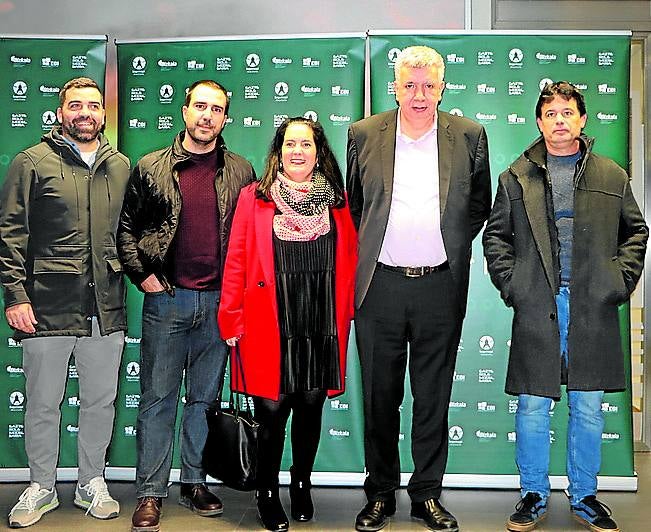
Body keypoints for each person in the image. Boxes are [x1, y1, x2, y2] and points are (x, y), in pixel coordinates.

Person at [483, 81, 648, 532]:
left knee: (588, 406)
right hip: (538, 302)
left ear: (582, 119)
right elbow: (495, 236)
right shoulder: (516, 176)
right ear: (539, 121)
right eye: (550, 113)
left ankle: (586, 496)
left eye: (567, 112)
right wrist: (516, 285)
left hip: (592, 303)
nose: (559, 120)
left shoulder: (611, 175)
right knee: (533, 406)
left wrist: (616, 281)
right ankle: (532, 494)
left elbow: (636, 232)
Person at [346, 45, 492, 532]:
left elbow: (477, 207)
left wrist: (442, 246)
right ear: (395, 86)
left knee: (433, 396)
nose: (419, 95)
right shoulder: (363, 134)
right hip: (379, 286)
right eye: (409, 84)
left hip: (439, 286)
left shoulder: (469, 135)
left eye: (429, 85)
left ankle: (427, 494)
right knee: (380, 398)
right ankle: (380, 494)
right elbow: (354, 204)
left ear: (442, 87)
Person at [117, 79, 255, 532]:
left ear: (226, 118)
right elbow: (126, 231)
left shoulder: (241, 170)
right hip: (168, 301)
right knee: (157, 400)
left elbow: (249, 239)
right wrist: (143, 276)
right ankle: (151, 493)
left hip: (219, 304)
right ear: (184, 110)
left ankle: (195, 481)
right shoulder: (151, 166)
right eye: (200, 106)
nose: (207, 116)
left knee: (204, 400)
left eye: (216, 109)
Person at [0, 77, 130, 527]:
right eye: (76, 105)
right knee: (41, 402)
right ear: (60, 112)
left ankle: (92, 481)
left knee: (100, 401)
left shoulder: (121, 166)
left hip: (105, 306)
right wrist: (15, 295)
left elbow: (128, 236)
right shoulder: (31, 162)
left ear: (103, 114)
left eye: (94, 106)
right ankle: (41, 486)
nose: (86, 113)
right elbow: (10, 233)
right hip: (45, 306)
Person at [218, 117, 357, 532]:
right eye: (290, 144)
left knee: (311, 404)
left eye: (307, 144)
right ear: (278, 151)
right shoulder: (254, 197)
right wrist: (231, 316)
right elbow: (238, 258)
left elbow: (349, 257)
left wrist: (346, 310)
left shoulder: (337, 199)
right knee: (273, 410)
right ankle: (266, 491)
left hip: (320, 317)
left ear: (319, 152)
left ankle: (301, 482)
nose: (299, 151)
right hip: (268, 318)